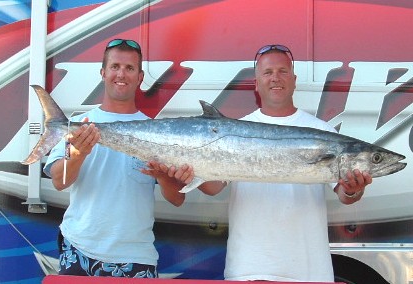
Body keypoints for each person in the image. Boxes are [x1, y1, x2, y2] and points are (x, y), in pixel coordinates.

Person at [148, 44, 373, 282]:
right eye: (267, 73)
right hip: (249, 267)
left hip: (308, 270)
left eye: (282, 71)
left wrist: (353, 190)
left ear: (294, 80)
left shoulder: (321, 131)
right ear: (256, 83)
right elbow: (214, 187)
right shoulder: (235, 129)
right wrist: (191, 171)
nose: (275, 78)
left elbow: (344, 195)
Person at [43, 39, 185, 278]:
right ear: (103, 72)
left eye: (129, 68)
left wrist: (164, 176)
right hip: (79, 248)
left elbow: (177, 200)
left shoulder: (159, 131)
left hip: (136, 256)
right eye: (115, 66)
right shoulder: (80, 124)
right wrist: (78, 154)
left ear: (140, 77)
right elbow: (59, 180)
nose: (122, 74)